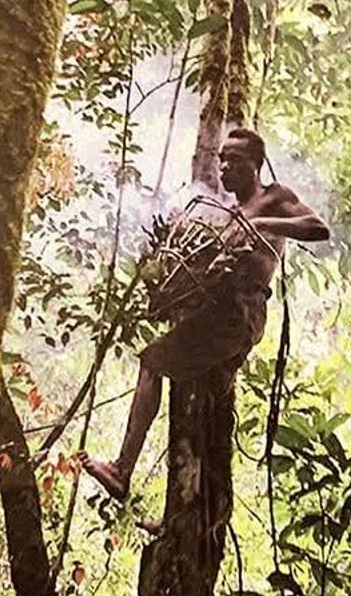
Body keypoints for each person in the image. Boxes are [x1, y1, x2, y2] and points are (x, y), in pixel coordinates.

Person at [83, 127, 329, 499]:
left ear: (256, 166)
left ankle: (122, 469)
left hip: (239, 315)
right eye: (223, 159)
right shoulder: (225, 211)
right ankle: (188, 517)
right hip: (214, 315)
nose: (226, 166)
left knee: (152, 362)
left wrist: (261, 224)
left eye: (236, 160)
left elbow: (317, 228)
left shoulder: (274, 198)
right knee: (204, 407)